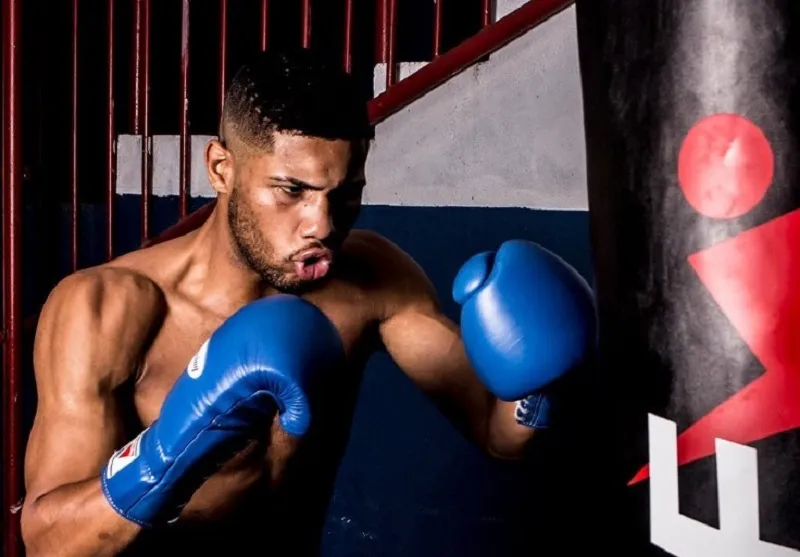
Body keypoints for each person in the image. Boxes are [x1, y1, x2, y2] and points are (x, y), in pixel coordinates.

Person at [19, 48, 595, 556]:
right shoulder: (106, 309)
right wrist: (166, 455)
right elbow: (48, 545)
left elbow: (499, 436)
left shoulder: (374, 277)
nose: (320, 224)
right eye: (291, 191)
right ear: (222, 169)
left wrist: (533, 387)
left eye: (345, 195)